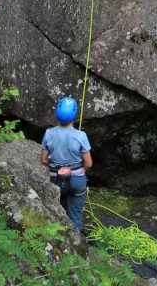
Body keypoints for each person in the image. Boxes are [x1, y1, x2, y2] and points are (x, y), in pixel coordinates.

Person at [40, 96, 92, 232]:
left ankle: (60, 239)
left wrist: (57, 166)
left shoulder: (48, 133)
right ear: (74, 116)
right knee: (75, 213)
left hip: (55, 178)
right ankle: (77, 239)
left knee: (58, 212)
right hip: (76, 179)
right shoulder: (81, 135)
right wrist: (80, 169)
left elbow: (44, 160)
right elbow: (88, 163)